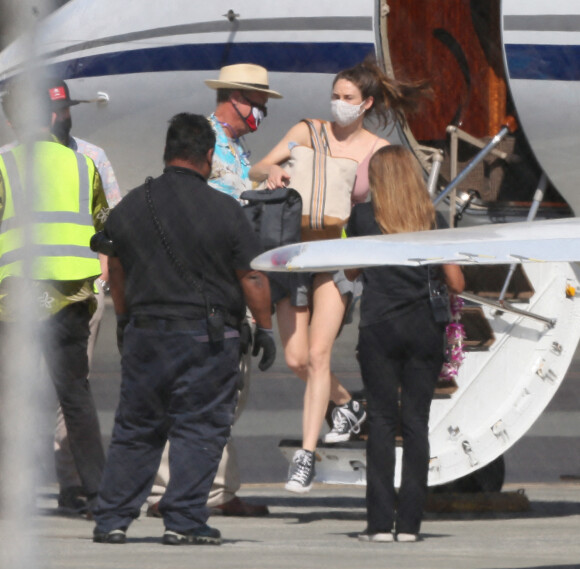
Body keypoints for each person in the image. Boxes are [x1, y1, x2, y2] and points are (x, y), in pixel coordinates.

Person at [92, 113, 276, 545]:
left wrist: (124, 319)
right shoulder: (227, 210)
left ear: (166, 152)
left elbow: (115, 269)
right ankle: (184, 519)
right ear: (209, 156)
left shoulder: (133, 206)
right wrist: (264, 327)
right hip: (206, 338)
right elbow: (251, 277)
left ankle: (113, 519)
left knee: (136, 427)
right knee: (200, 427)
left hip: (145, 333)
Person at [249, 59, 431, 493]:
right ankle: (347, 404)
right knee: (295, 359)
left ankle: (305, 457)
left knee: (317, 355)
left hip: (336, 256)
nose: (338, 104)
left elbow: (386, 204)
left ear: (366, 104)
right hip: (294, 253)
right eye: (335, 96)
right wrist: (272, 170)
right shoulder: (306, 131)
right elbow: (257, 169)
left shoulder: (375, 149)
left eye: (348, 99)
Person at [146, 63, 282, 518]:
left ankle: (217, 489)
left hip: (230, 279)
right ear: (235, 98)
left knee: (229, 392)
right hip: (206, 282)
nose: (261, 114)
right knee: (193, 393)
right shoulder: (203, 140)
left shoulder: (238, 148)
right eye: (258, 105)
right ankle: (166, 490)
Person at [0, 77, 122, 515]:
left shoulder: (4, 166)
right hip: (72, 293)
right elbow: (108, 228)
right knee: (76, 396)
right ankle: (98, 493)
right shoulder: (83, 164)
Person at [347, 145, 464, 543]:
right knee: (416, 423)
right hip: (424, 329)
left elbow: (350, 268)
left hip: (380, 325)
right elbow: (457, 282)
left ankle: (379, 524)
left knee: (380, 421)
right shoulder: (434, 219)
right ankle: (410, 525)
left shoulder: (363, 218)